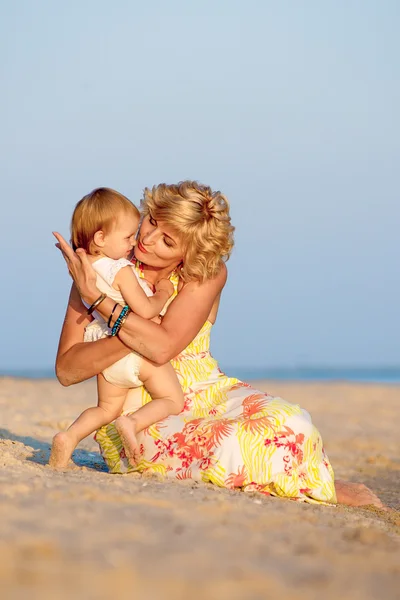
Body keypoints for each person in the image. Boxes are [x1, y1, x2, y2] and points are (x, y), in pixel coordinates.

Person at [53, 181, 385, 508]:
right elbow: (68, 371)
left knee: (294, 422)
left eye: (167, 241)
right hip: (142, 413)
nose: (147, 239)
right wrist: (118, 310)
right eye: (151, 221)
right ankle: (309, 483)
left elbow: (163, 345)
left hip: (208, 390)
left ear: (189, 252)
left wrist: (103, 305)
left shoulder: (204, 273)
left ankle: (310, 479)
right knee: (233, 449)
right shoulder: (101, 271)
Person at [50, 187, 184, 469]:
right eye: (127, 236)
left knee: (105, 409)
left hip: (104, 350)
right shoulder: (121, 269)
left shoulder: (86, 270)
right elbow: (145, 311)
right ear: (101, 237)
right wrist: (162, 291)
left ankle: (69, 436)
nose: (135, 242)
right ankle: (132, 422)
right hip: (134, 348)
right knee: (171, 398)